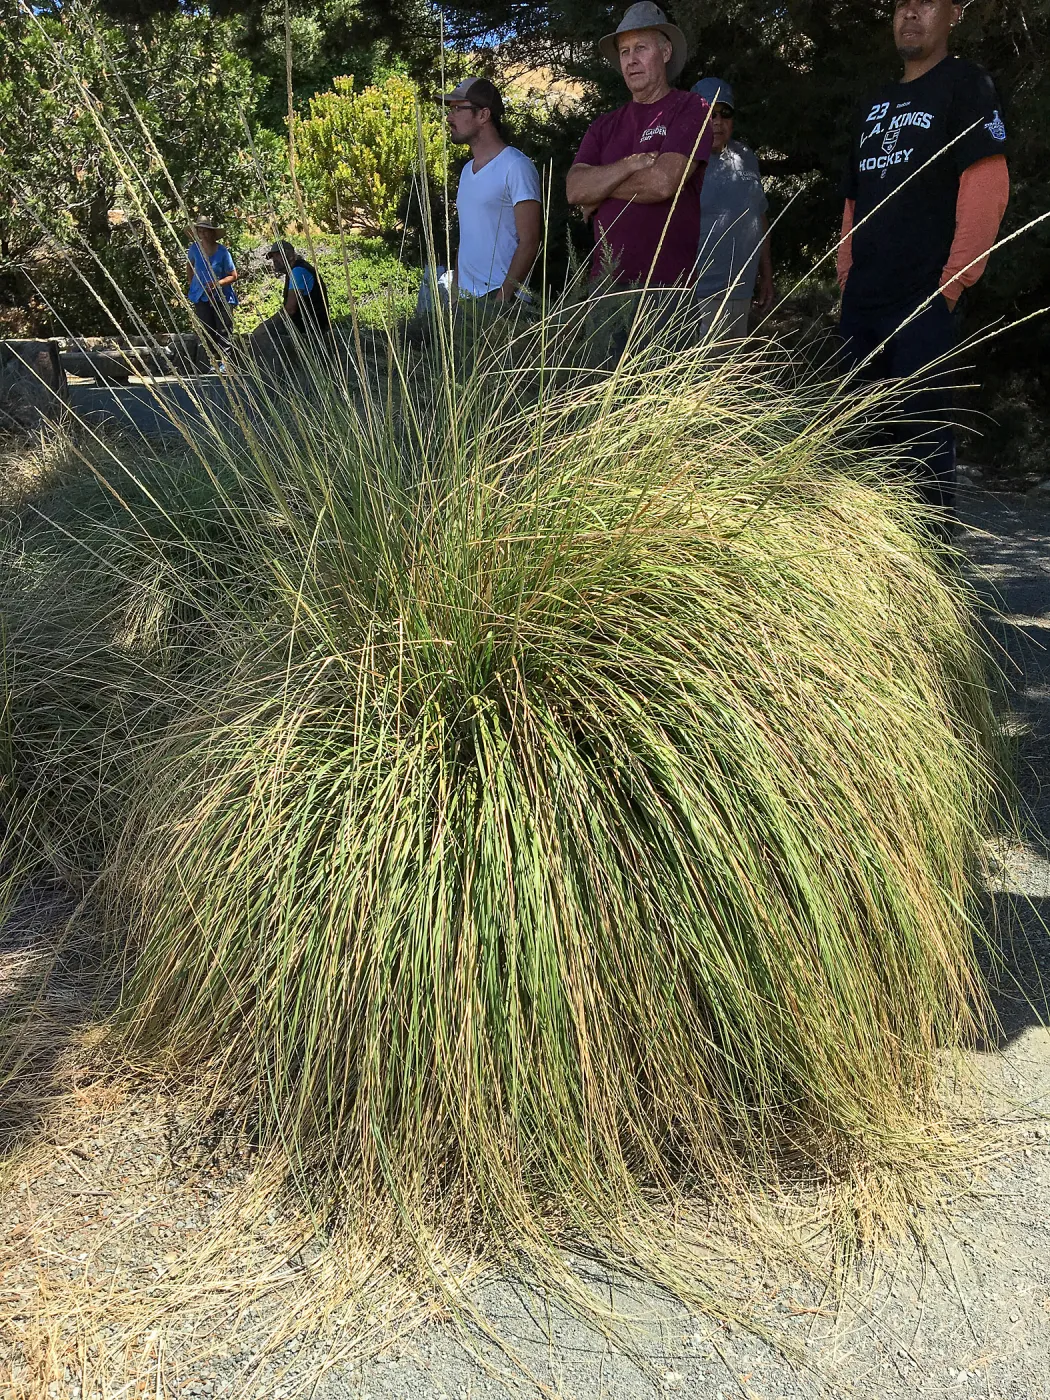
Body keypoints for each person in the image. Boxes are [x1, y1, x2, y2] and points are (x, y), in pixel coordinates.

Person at [838, 0, 1009, 526]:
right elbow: (853, 201)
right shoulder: (876, 103)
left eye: (927, 2)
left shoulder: (966, 85)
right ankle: (869, 597)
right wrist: (846, 282)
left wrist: (950, 290)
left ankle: (932, 597)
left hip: (923, 309)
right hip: (862, 310)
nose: (910, 12)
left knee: (923, 470)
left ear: (954, 14)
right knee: (858, 465)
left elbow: (987, 186)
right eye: (901, 4)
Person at [566, 3, 713, 291]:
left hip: (665, 290)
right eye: (624, 52)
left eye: (641, 48)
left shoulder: (691, 108)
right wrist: (631, 164)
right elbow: (574, 189)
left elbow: (662, 182)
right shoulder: (604, 125)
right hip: (604, 286)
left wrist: (599, 193)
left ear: (666, 53)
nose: (631, 60)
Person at [442, 78, 542, 307]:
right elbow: (466, 237)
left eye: (458, 109)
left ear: (483, 115)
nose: (449, 117)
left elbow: (530, 241)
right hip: (466, 303)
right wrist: (455, 294)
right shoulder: (467, 171)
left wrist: (503, 298)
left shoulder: (516, 166)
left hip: (499, 299)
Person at [691, 77, 773, 340]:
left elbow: (759, 217)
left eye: (725, 113)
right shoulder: (683, 160)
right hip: (697, 296)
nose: (717, 121)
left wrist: (766, 275)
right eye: (709, 113)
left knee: (730, 377)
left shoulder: (746, 156)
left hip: (741, 292)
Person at [250, 240, 332, 363]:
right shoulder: (297, 270)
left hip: (310, 327)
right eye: (273, 257)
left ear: (290, 255)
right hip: (309, 324)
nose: (275, 260)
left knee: (260, 335)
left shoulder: (298, 271)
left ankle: (271, 376)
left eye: (279, 255)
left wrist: (266, 326)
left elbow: (290, 309)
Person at [185, 218, 238, 359]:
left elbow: (233, 275)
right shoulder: (194, 249)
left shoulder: (222, 252)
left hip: (222, 297)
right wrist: (192, 284)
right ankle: (213, 360)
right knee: (207, 329)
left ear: (212, 233)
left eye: (205, 231)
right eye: (199, 231)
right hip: (201, 296)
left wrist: (217, 284)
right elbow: (190, 266)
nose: (202, 234)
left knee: (224, 329)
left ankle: (225, 362)